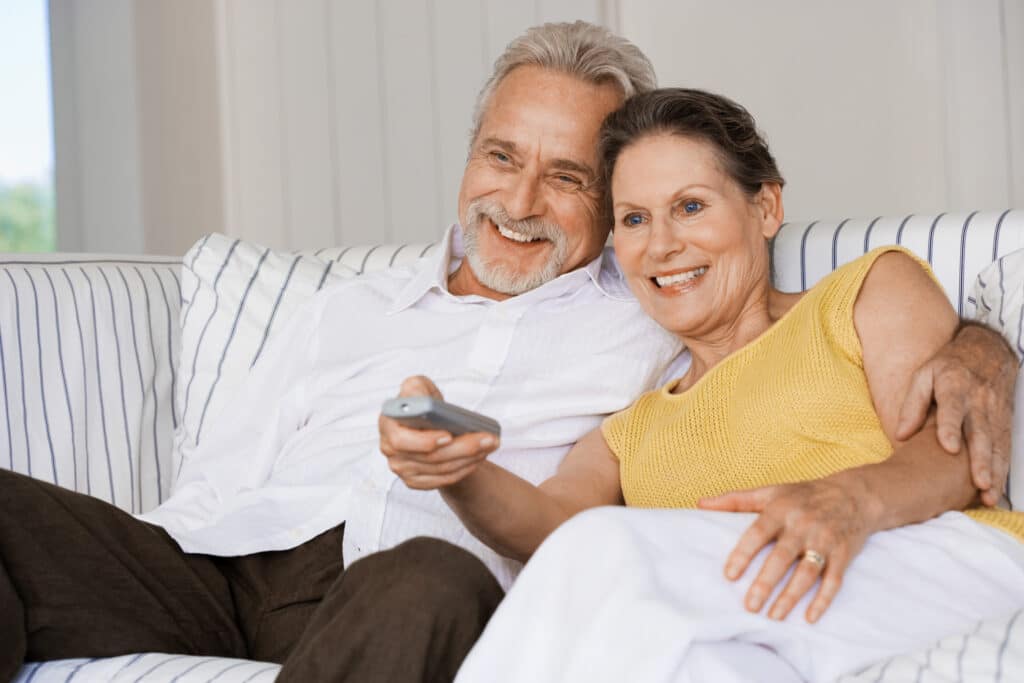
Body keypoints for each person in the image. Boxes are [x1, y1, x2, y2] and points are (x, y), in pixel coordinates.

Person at [0, 22, 1014, 683]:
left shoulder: (644, 307)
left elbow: (927, 405)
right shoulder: (350, 305)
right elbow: (218, 476)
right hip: (219, 570)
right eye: (500, 156)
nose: (519, 203)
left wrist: (984, 340)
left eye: (568, 179)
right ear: (470, 152)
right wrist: (155, 555)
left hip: (395, 587)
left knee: (427, 577)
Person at [428, 89, 1023, 682]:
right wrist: (456, 472)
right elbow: (550, 526)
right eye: (635, 220)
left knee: (604, 547)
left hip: (931, 555)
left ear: (765, 207)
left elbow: (957, 451)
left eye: (689, 207)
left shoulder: (863, 294)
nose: (661, 245)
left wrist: (847, 502)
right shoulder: (628, 433)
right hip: (779, 611)